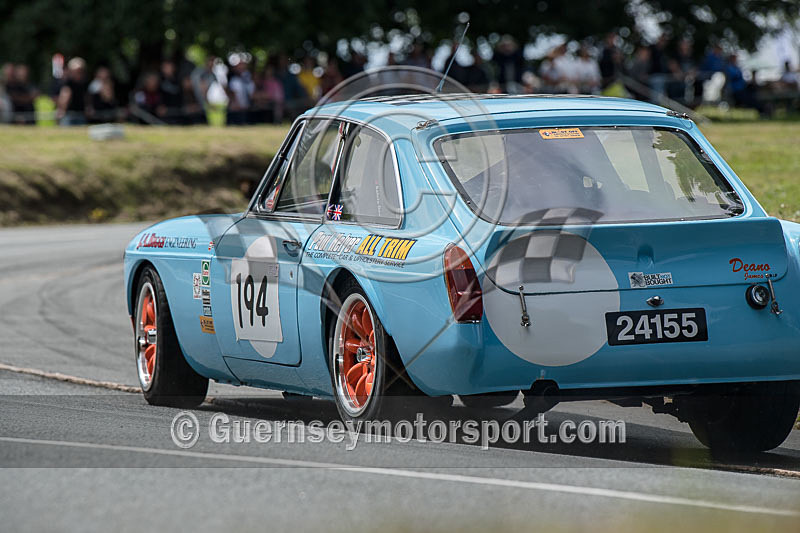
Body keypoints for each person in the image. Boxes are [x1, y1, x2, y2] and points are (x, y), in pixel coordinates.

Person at [57, 57, 89, 125]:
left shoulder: (85, 83)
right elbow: (64, 99)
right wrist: (61, 110)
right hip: (69, 115)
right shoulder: (67, 83)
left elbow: (87, 98)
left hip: (81, 114)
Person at [227, 57, 254, 125]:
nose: (241, 67)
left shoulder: (248, 79)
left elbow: (251, 93)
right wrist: (236, 104)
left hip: (247, 109)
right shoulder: (232, 78)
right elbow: (231, 93)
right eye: (240, 65)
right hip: (236, 110)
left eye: (243, 65)